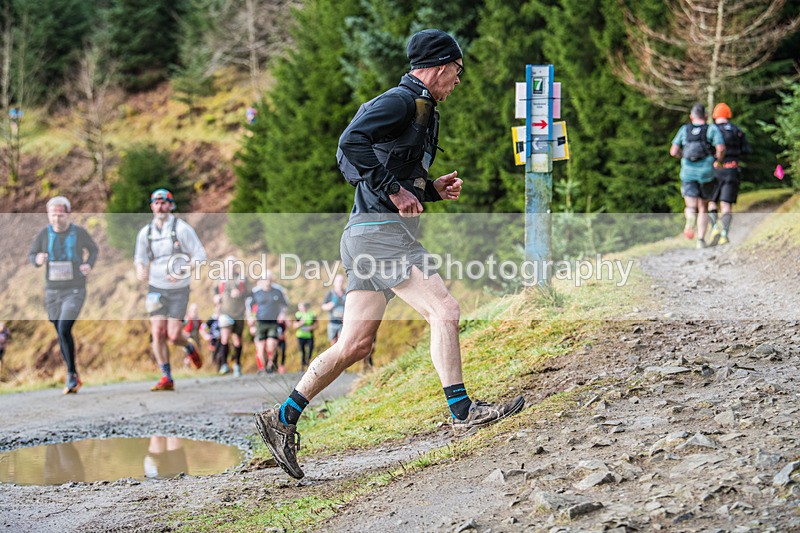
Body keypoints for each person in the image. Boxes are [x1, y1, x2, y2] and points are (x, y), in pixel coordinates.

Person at [254, 29, 525, 480]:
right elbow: (349, 145)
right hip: (382, 235)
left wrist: (428, 190)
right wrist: (397, 191)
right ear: (439, 66)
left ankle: (282, 418)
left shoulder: (420, 108)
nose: (458, 81)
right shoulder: (400, 101)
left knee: (355, 345)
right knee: (445, 309)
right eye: (457, 72)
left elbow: (383, 164)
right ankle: (463, 413)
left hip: (367, 234)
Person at [134, 189, 206, 391]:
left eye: (164, 202)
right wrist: (140, 270)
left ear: (171, 206)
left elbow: (200, 256)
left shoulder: (181, 229)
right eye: (156, 203)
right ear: (151, 207)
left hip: (178, 288)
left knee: (174, 336)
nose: (160, 206)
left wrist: (184, 269)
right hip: (155, 287)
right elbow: (140, 258)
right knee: (157, 332)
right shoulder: (146, 232)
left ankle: (188, 345)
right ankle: (166, 376)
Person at [28, 196, 98, 394]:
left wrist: (88, 265)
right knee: (58, 328)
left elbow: (93, 250)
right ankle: (73, 373)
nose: (57, 219)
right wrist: (38, 259)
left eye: (60, 215)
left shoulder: (79, 233)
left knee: (64, 326)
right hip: (52, 290)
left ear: (68, 214)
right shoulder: (44, 234)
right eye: (53, 215)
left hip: (75, 289)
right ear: (48, 216)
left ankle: (71, 374)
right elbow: (32, 254)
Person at [670, 103, 726, 248]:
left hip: (687, 173)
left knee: (690, 206)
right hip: (706, 172)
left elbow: (673, 151)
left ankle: (690, 218)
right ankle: (701, 240)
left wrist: (683, 157)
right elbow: (720, 148)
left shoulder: (684, 129)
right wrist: (718, 161)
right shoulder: (711, 129)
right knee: (703, 207)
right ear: (706, 116)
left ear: (691, 116)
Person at [708, 102, 752, 246]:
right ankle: (725, 234)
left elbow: (706, 149)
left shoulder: (712, 130)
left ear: (715, 116)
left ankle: (714, 228)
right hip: (732, 170)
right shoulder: (737, 130)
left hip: (715, 170)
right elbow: (746, 150)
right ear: (728, 115)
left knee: (712, 202)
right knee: (726, 205)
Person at [215, 256, 250, 377]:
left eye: (233, 263)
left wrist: (240, 293)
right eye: (229, 263)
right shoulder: (221, 278)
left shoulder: (242, 279)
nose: (231, 265)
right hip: (225, 312)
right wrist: (216, 298)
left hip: (239, 313)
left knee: (237, 339)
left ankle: (237, 364)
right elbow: (215, 292)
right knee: (224, 338)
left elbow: (249, 294)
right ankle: (224, 364)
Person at [249, 271, 288, 373]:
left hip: (273, 322)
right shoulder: (256, 293)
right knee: (261, 348)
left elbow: (284, 305)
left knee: (272, 345)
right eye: (266, 279)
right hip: (260, 323)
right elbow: (250, 307)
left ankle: (271, 364)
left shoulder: (277, 291)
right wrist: (251, 320)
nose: (268, 282)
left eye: (270, 279)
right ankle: (264, 368)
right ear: (261, 280)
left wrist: (282, 314)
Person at [321, 274, 346, 345]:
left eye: (341, 281)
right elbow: (323, 306)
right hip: (333, 322)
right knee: (333, 344)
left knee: (341, 343)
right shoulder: (330, 293)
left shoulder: (346, 293)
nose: (340, 283)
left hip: (343, 323)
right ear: (334, 282)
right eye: (338, 281)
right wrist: (330, 305)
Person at [293, 301, 317, 370]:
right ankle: (302, 366)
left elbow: (316, 324)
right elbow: (294, 325)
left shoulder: (312, 314)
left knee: (310, 350)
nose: (301, 308)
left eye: (302, 306)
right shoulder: (298, 315)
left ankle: (308, 363)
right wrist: (301, 323)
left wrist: (310, 328)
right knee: (302, 351)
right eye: (299, 307)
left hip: (309, 335)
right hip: (300, 335)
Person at [199, 304, 223, 369]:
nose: (219, 311)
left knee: (222, 354)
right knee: (214, 355)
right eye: (217, 310)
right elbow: (202, 328)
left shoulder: (223, 318)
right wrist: (206, 336)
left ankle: (222, 367)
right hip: (213, 341)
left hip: (222, 341)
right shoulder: (211, 319)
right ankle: (215, 368)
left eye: (220, 310)